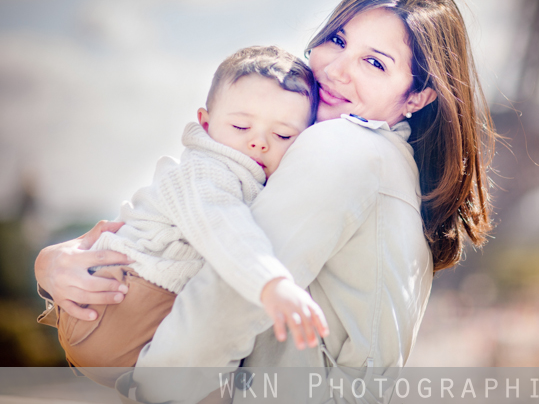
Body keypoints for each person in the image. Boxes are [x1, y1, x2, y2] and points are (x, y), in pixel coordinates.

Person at [35, 0, 495, 400]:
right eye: (337, 40)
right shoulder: (384, 162)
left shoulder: (342, 148)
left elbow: (228, 298)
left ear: (417, 95)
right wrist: (52, 263)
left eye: (374, 62)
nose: (335, 70)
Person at [44, 46, 329, 386]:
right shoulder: (205, 171)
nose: (259, 143)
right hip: (120, 304)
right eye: (240, 126)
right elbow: (224, 227)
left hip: (128, 314)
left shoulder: (253, 177)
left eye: (283, 135)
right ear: (206, 124)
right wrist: (273, 283)